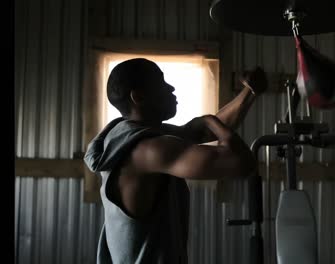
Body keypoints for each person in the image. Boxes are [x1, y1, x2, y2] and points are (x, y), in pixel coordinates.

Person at [83, 58, 267, 264]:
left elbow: (203, 132)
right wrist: (208, 119)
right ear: (138, 96)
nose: (171, 88)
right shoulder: (148, 150)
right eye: (161, 83)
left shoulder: (127, 136)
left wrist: (250, 93)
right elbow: (241, 162)